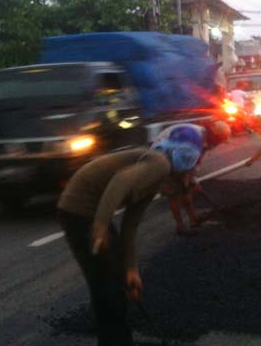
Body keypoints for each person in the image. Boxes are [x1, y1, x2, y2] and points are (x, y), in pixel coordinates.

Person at [56, 148, 174, 346]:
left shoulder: (151, 187)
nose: (172, 196)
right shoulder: (160, 165)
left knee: (117, 279)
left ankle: (118, 337)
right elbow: (120, 180)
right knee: (104, 283)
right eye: (177, 190)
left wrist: (131, 269)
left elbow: (130, 227)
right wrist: (101, 225)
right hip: (78, 209)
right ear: (174, 178)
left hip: (95, 212)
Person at [151, 121, 231, 235]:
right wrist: (187, 179)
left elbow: (197, 161)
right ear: (214, 136)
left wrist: (194, 180)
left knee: (186, 190)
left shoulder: (205, 139)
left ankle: (193, 220)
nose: (219, 144)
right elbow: (180, 167)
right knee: (174, 192)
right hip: (162, 156)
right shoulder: (192, 141)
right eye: (220, 141)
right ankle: (180, 226)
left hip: (179, 154)